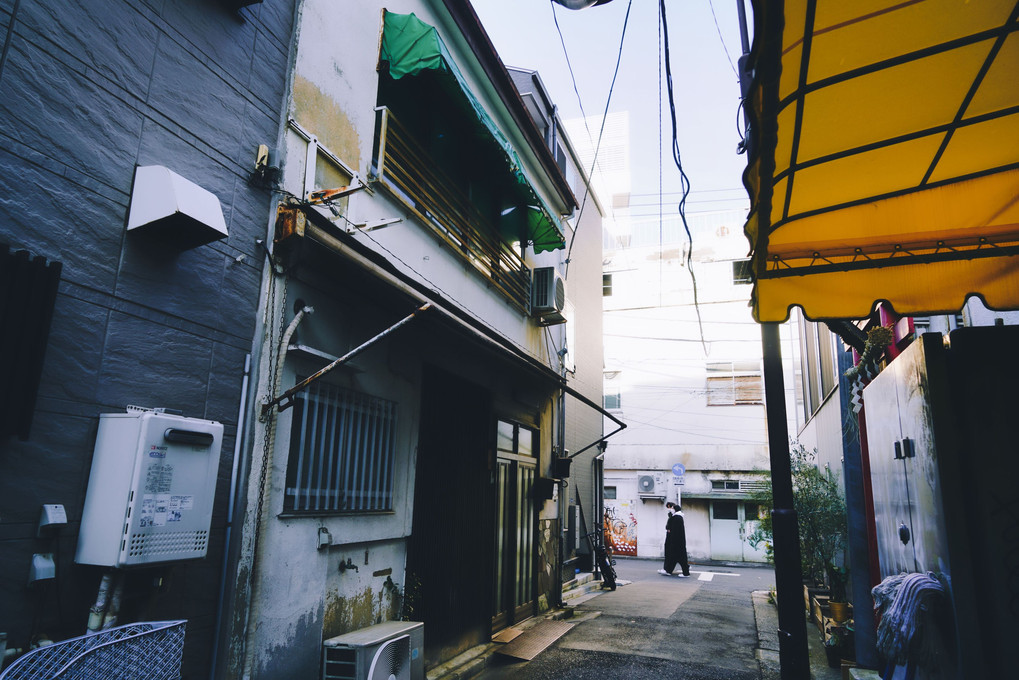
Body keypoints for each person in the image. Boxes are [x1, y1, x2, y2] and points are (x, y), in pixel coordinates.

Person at [658, 502, 690, 577]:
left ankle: (685, 572)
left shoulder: (677, 518)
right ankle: (669, 570)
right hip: (678, 541)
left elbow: (674, 530)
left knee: (680, 558)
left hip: (676, 542)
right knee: (676, 558)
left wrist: (670, 532)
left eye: (672, 508)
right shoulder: (678, 517)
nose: (671, 509)